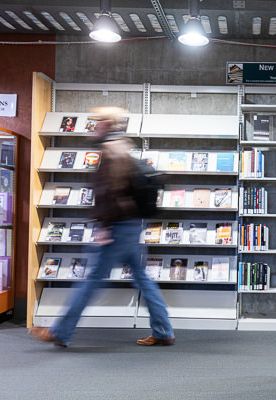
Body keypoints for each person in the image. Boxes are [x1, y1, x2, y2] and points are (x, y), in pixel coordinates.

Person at [29, 107, 175, 347]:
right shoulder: (122, 146)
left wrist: (105, 226)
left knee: (91, 279)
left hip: (116, 228)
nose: (93, 126)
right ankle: (163, 330)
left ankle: (60, 331)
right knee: (142, 278)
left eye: (96, 122)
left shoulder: (111, 150)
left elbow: (111, 191)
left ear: (108, 122)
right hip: (129, 225)